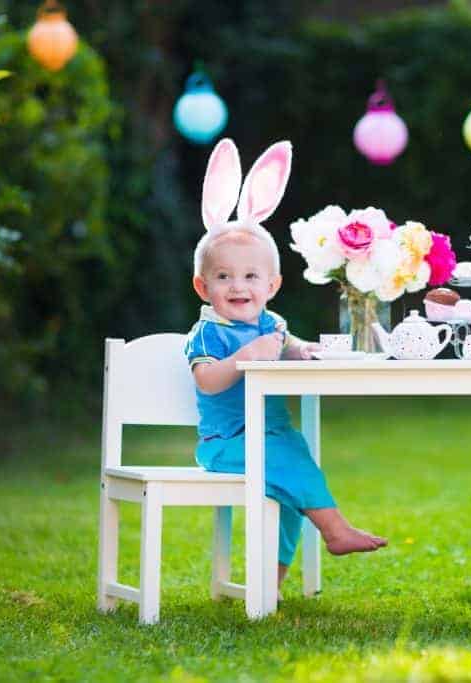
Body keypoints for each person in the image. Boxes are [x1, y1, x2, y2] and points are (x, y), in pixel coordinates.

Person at [186, 139, 386, 592]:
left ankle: (271, 581)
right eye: (224, 278)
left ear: (272, 285)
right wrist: (240, 359)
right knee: (292, 468)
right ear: (203, 287)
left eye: (251, 277)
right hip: (225, 445)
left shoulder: (270, 324)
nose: (239, 287)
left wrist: (304, 350)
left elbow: (287, 345)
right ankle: (336, 531)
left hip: (272, 438)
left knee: (292, 490)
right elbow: (208, 381)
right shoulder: (208, 333)